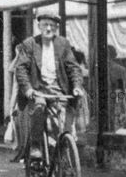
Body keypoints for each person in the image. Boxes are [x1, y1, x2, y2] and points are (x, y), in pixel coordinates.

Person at [15, 8, 84, 159]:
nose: (48, 28)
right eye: (45, 24)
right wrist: (27, 88)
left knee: (61, 121)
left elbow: (73, 67)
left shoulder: (63, 44)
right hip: (37, 89)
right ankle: (35, 144)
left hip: (57, 89)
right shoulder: (30, 44)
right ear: (39, 26)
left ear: (56, 28)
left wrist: (77, 86)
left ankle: (59, 157)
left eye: (52, 26)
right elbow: (21, 69)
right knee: (39, 107)